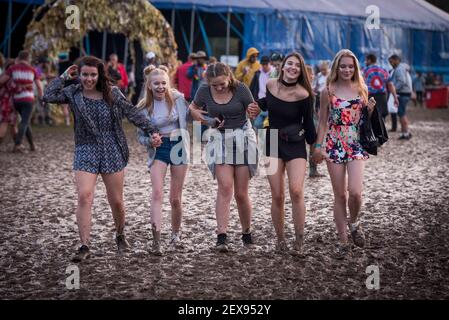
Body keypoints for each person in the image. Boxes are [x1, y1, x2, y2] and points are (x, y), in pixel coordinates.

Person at [43, 56, 162, 262]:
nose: (88, 79)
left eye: (92, 75)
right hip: (85, 147)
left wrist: (152, 131)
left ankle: (120, 234)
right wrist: (63, 77)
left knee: (116, 201)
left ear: (99, 75)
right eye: (84, 75)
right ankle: (84, 245)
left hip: (112, 148)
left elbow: (132, 113)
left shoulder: (112, 93)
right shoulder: (73, 92)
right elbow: (48, 95)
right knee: (84, 195)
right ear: (78, 75)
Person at [136, 65, 214, 256]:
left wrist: (214, 120)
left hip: (179, 145)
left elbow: (193, 115)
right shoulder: (143, 107)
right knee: (157, 194)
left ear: (168, 83)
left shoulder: (178, 99)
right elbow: (140, 137)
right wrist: (150, 141)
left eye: (164, 83)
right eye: (156, 84)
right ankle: (156, 241)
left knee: (175, 199)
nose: (161, 87)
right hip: (159, 149)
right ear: (149, 85)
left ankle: (175, 233)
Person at [312, 49, 376, 259]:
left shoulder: (362, 88)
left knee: (356, 192)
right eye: (343, 66)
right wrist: (318, 146)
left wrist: (371, 111)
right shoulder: (327, 91)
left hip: (356, 143)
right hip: (334, 143)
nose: (347, 69)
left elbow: (365, 120)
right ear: (336, 68)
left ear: (355, 68)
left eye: (351, 66)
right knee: (340, 194)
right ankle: (343, 240)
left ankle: (354, 222)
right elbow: (322, 121)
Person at [189, 62, 259, 252]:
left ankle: (247, 233)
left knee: (241, 193)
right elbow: (193, 109)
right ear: (208, 83)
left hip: (242, 138)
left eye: (222, 83)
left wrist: (255, 110)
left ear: (229, 76)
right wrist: (208, 120)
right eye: (215, 85)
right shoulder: (203, 91)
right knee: (225, 187)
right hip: (219, 139)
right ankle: (222, 236)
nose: (219, 87)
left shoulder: (241, 89)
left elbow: (254, 111)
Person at [256, 52, 316, 255]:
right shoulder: (271, 85)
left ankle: (299, 241)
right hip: (271, 141)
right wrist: (254, 108)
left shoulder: (304, 95)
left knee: (296, 191)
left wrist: (316, 147)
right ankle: (280, 240)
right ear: (282, 66)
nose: (292, 67)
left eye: (297, 66)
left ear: (300, 71)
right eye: (289, 63)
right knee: (277, 195)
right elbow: (266, 104)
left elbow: (309, 125)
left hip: (296, 143)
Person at [0, 50, 43, 152]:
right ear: (28, 59)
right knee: (24, 121)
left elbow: (1, 81)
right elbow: (39, 86)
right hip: (28, 99)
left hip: (16, 100)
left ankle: (32, 145)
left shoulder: (12, 69)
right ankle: (18, 144)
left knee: (26, 121)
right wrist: (42, 98)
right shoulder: (32, 70)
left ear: (19, 58)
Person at [363, 53, 398, 120]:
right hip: (382, 97)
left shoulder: (364, 71)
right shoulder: (384, 70)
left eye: (366, 60)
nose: (366, 62)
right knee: (381, 119)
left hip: (370, 97)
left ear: (369, 60)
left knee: (370, 117)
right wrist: (395, 97)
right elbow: (390, 85)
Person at [306, 64, 324, 178]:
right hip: (309, 121)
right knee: (312, 145)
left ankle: (313, 169)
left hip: (313, 119)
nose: (313, 76)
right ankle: (312, 169)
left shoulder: (311, 89)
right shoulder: (305, 90)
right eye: (311, 74)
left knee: (313, 145)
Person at [388, 54, 412, 139]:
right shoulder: (400, 68)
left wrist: (394, 89)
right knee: (402, 113)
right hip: (404, 93)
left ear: (396, 60)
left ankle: (405, 133)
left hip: (402, 93)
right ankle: (405, 132)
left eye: (391, 62)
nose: (391, 64)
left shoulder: (399, 69)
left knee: (402, 114)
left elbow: (401, 81)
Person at [249, 55, 273, 129]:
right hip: (260, 103)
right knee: (258, 124)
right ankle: (262, 140)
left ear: (270, 63)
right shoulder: (257, 73)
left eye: (266, 64)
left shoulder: (275, 73)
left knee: (272, 125)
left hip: (271, 104)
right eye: (263, 64)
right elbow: (252, 88)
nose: (264, 66)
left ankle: (273, 141)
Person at [0, 58, 18, 146]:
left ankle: (17, 144)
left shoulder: (3, 75)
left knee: (12, 124)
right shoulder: (10, 76)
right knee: (7, 122)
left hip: (5, 101)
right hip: (8, 101)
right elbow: (14, 88)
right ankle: (17, 144)